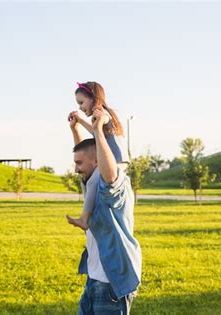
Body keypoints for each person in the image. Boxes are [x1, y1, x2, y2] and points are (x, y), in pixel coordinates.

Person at [71, 108, 141, 314]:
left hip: (111, 284)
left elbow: (104, 166)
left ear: (97, 162)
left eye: (78, 164)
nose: (75, 169)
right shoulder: (92, 184)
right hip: (94, 279)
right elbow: (86, 154)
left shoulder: (114, 184)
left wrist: (98, 130)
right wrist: (75, 129)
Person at [66, 81, 129, 230]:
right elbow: (96, 131)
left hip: (116, 161)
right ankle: (87, 215)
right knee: (91, 180)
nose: (80, 107)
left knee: (93, 181)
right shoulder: (99, 116)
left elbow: (102, 123)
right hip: (115, 160)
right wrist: (80, 122)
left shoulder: (102, 113)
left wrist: (99, 120)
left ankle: (84, 218)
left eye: (82, 102)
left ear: (93, 98)